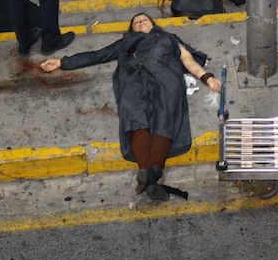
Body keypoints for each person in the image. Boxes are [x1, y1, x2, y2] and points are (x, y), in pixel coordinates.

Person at [40, 13, 222, 202]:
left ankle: (148, 175)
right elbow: (98, 55)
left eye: (144, 19)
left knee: (165, 115)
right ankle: (152, 178)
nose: (141, 22)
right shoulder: (125, 43)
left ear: (153, 24)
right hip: (134, 80)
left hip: (166, 80)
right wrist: (62, 62)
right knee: (134, 115)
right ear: (132, 29)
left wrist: (207, 78)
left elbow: (188, 61)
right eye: (136, 22)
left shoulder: (170, 39)